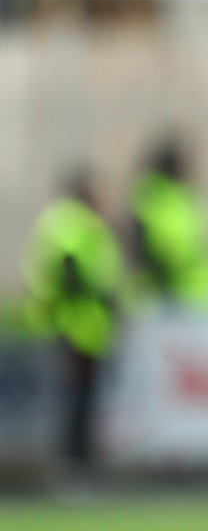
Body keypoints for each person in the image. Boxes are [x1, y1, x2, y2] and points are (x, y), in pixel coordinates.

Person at [20, 168, 126, 470]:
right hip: (73, 324)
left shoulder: (77, 220)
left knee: (81, 399)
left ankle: (78, 461)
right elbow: (69, 268)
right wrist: (97, 293)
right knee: (75, 399)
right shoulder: (71, 219)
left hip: (85, 325)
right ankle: (73, 464)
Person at [129, 136, 208, 311]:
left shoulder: (158, 198)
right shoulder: (164, 200)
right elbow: (165, 251)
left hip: (187, 295)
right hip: (184, 296)